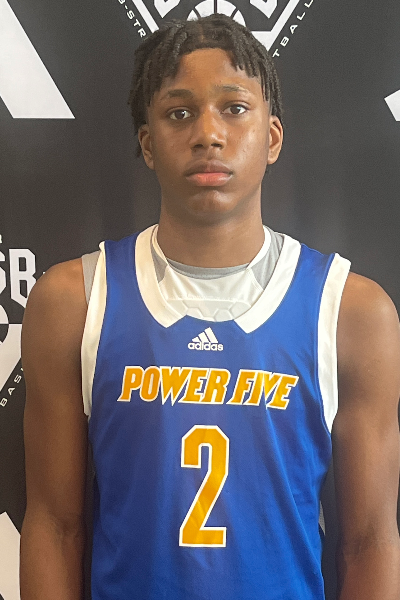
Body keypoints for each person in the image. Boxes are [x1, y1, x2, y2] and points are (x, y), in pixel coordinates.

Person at [20, 14, 400, 600]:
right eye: (179, 113)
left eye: (234, 108)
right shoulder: (74, 302)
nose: (208, 134)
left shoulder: (352, 312)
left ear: (272, 137)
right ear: (147, 143)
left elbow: (369, 540)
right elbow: (54, 525)